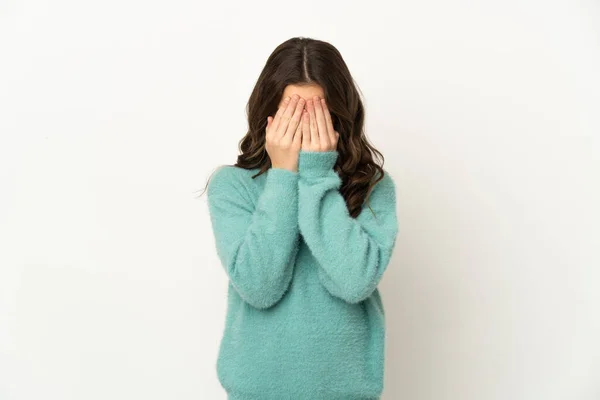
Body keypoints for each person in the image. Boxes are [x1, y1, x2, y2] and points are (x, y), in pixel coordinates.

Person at [204, 36, 399, 400]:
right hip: (256, 391)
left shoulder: (372, 186)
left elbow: (354, 282)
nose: (305, 126)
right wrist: (283, 177)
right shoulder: (232, 186)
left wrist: (316, 174)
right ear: (270, 115)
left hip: (347, 392)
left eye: (318, 114)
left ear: (340, 115)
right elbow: (259, 287)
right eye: (294, 113)